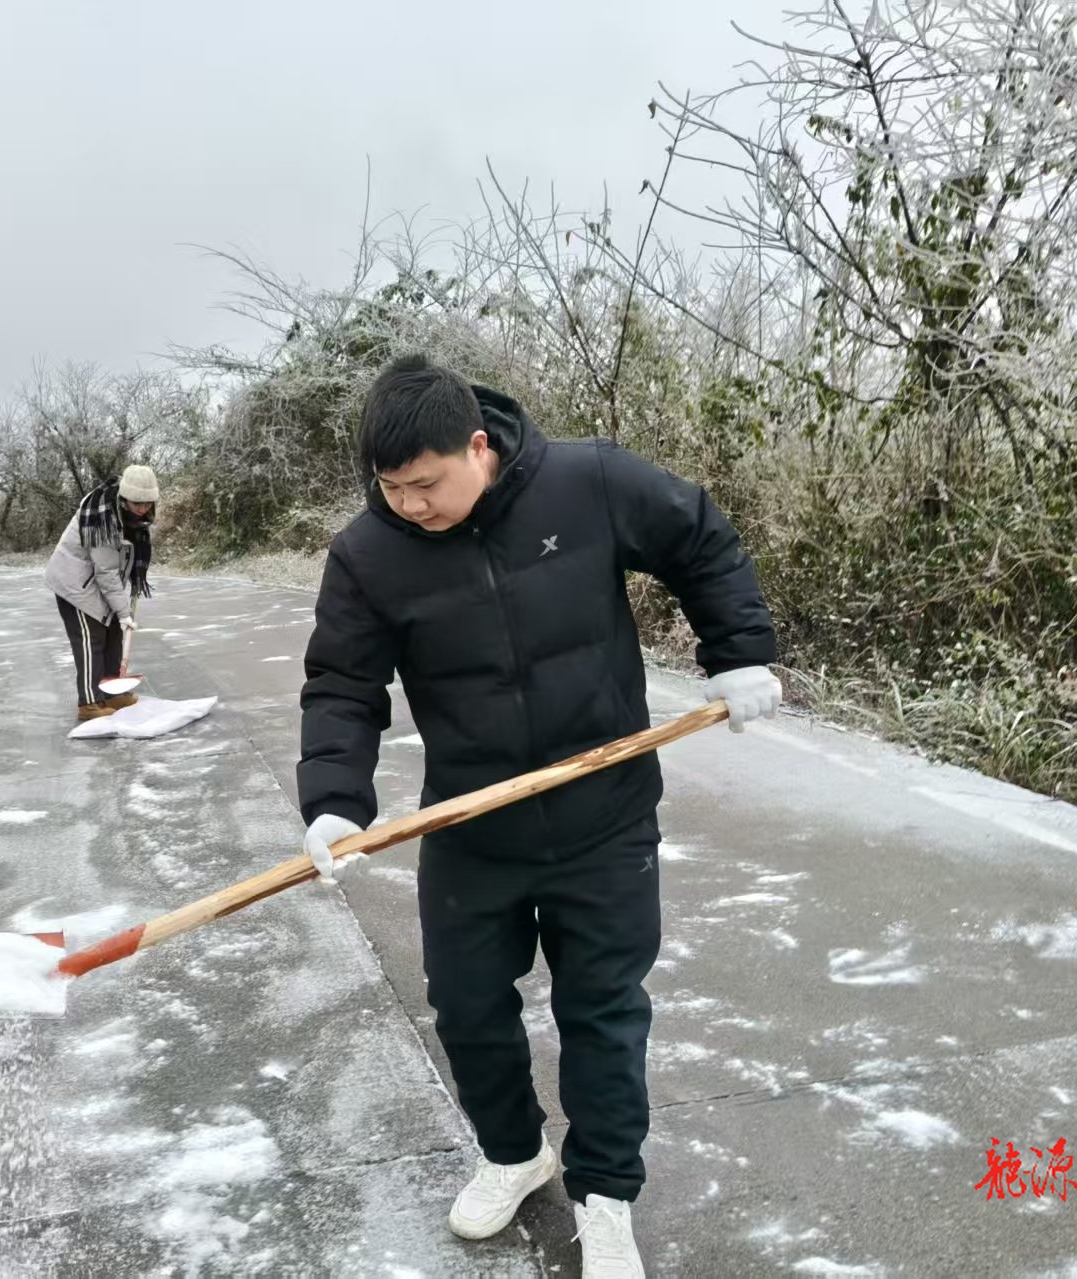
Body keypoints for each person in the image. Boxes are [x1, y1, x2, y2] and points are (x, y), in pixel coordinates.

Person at [296, 354, 781, 1278]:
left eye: (426, 483)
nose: (410, 504)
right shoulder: (368, 554)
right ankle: (517, 1154)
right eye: (391, 488)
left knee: (602, 1011)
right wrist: (332, 801)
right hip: (474, 829)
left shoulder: (586, 481)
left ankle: (606, 1197)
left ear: (478, 446)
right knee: (468, 1007)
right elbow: (342, 683)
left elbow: (699, 538)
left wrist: (741, 651)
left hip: (606, 817)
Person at [44, 464, 160, 722]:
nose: (143, 508)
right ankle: (89, 702)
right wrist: (122, 611)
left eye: (148, 503)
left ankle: (112, 693)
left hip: (95, 581)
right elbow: (105, 571)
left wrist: (122, 610)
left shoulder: (131, 517)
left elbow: (120, 563)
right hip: (75, 585)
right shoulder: (104, 517)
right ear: (124, 497)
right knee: (91, 640)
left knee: (113, 634)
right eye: (137, 502)